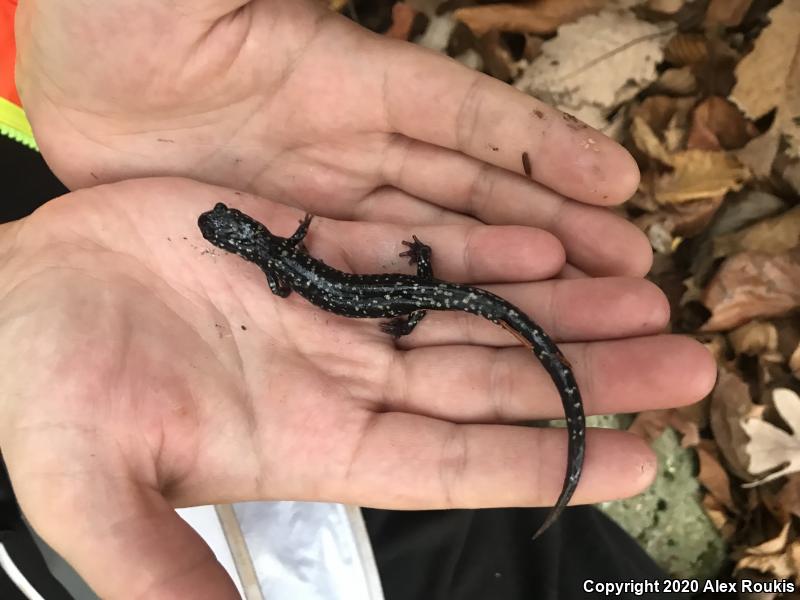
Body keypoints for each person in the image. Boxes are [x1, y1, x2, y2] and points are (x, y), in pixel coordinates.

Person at [0, 0, 716, 598]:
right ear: (244, 235)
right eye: (229, 232)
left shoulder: (275, 269)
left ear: (239, 238)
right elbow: (294, 253)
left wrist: (388, 307)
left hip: (404, 308)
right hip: (404, 302)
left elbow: (286, 277)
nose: (231, 231)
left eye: (229, 229)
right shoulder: (278, 250)